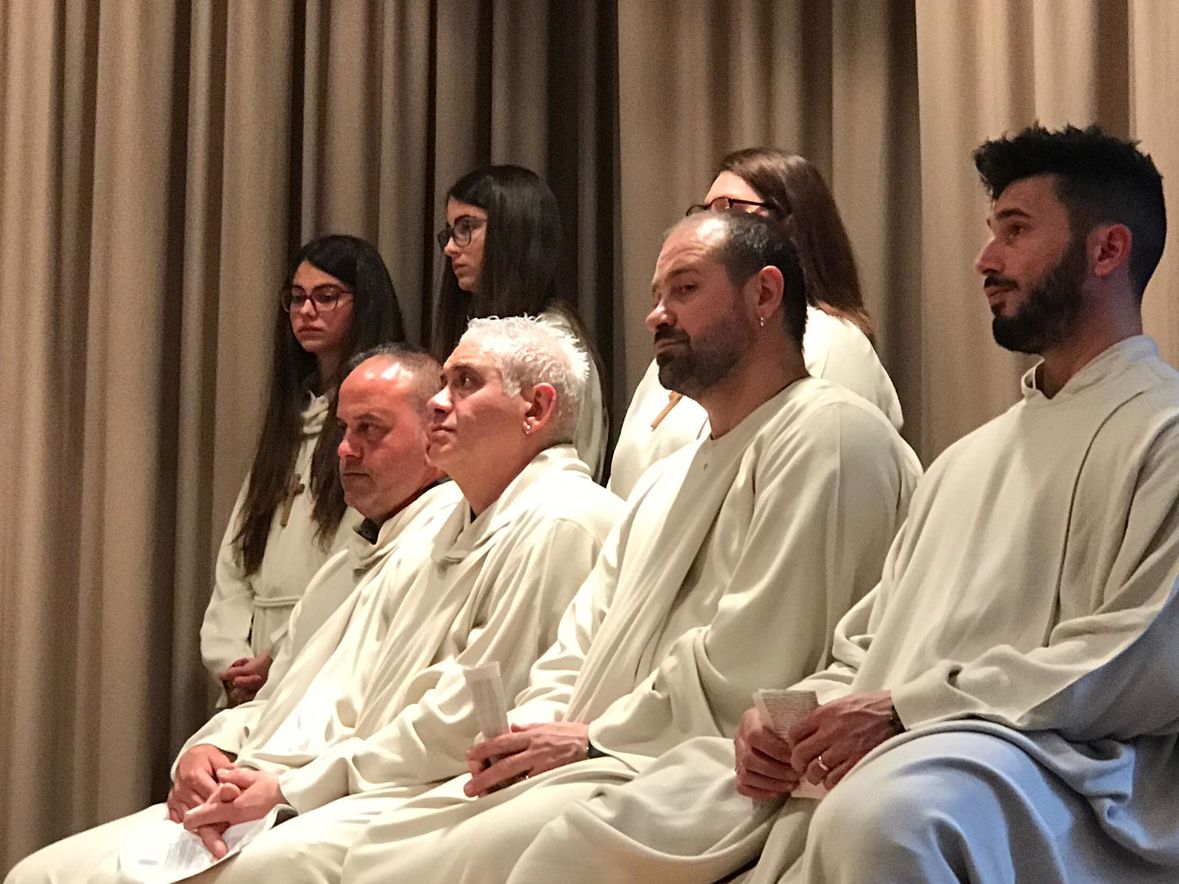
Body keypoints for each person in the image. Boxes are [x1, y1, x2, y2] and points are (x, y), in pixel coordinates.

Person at [493, 124, 1179, 884]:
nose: (985, 259)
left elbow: (1140, 658)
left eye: (1014, 231)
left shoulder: (1164, 433)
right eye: (991, 232)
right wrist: (790, 714)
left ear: (1107, 250)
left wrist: (904, 710)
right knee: (583, 840)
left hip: (1075, 770)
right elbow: (870, 644)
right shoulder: (968, 460)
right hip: (915, 740)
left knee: (887, 821)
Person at [338, 211, 921, 883]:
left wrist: (592, 737)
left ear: (764, 294)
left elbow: (757, 668)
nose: (656, 315)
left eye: (684, 289)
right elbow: (581, 644)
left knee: (476, 861)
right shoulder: (666, 480)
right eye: (655, 296)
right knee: (380, 852)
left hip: (710, 768)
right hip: (613, 751)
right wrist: (532, 730)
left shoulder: (827, 435)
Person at [4, 344, 455, 883]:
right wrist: (207, 749)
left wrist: (282, 783)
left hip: (330, 799)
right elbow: (283, 700)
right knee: (40, 872)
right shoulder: (344, 566)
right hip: (255, 782)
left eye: (370, 429)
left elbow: (408, 721)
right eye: (343, 429)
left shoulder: (447, 554)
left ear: (435, 438)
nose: (344, 450)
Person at [609, 147, 903, 498]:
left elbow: (824, 476)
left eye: (728, 210)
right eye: (703, 212)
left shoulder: (831, 344)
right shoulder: (682, 353)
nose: (708, 227)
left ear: (793, 226)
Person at [203, 234, 404, 705]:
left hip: (327, 652)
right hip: (255, 662)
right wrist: (229, 655)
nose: (306, 311)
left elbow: (357, 563)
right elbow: (237, 557)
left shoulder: (377, 432)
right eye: (296, 298)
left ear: (365, 302)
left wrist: (280, 656)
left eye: (326, 296)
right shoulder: (291, 422)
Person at [434, 164, 608, 478]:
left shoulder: (553, 342)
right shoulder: (487, 332)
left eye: (466, 227)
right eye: (451, 231)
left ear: (512, 232)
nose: (450, 248)